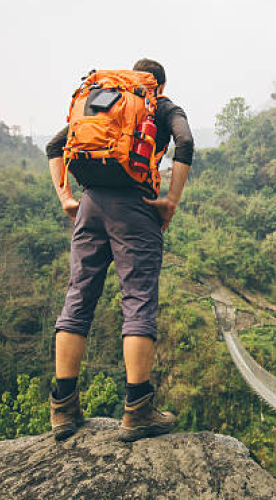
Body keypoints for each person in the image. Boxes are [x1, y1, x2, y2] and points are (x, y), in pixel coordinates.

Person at [45, 59, 194, 442]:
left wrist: (66, 196)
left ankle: (62, 408)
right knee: (138, 299)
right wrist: (172, 199)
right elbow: (186, 141)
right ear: (158, 84)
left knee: (77, 298)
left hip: (90, 205)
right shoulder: (159, 104)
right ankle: (138, 409)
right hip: (136, 207)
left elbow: (54, 145)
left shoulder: (103, 100)